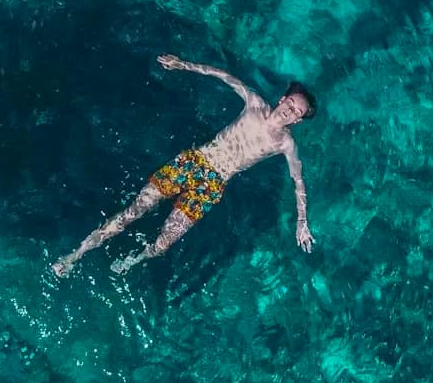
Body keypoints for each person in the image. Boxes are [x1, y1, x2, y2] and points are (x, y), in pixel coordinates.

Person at [51, 54, 317, 277]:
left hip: (212, 186)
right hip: (193, 162)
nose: (290, 110)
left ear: (298, 121)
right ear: (282, 99)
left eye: (297, 112)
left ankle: (133, 261)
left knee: (164, 244)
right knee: (132, 212)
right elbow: (222, 75)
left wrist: (302, 222)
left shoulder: (285, 144)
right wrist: (182, 64)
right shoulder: (255, 104)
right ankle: (74, 256)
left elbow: (298, 181)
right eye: (291, 103)